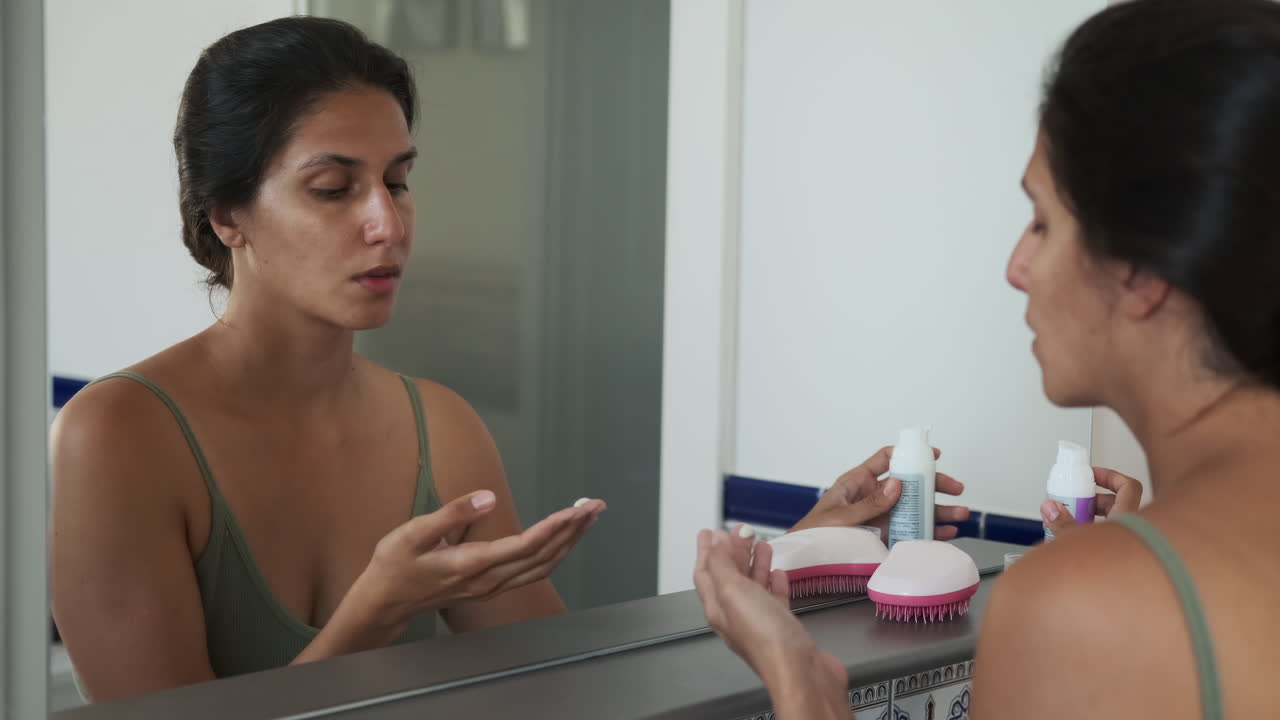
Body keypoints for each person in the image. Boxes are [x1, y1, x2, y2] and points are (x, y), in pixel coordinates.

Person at [693, 0, 1280, 717]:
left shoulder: (1078, 607)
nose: (1016, 266)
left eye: (1041, 220)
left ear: (1142, 267)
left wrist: (801, 690)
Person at [49, 16, 605, 703]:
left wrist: (743, 598)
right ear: (228, 215)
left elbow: (562, 691)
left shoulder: (441, 425)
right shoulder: (116, 435)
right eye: (334, 189)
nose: (388, 224)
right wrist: (377, 608)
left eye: (397, 181)